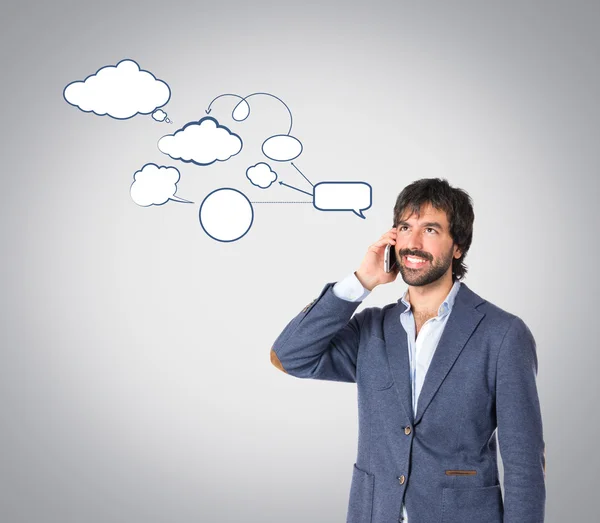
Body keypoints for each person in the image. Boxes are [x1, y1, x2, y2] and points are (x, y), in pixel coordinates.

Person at [270, 178, 546, 523]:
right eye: (405, 227)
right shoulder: (371, 330)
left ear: (457, 246)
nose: (412, 243)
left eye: (430, 229)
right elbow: (290, 355)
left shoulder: (503, 334)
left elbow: (524, 463)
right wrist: (361, 281)